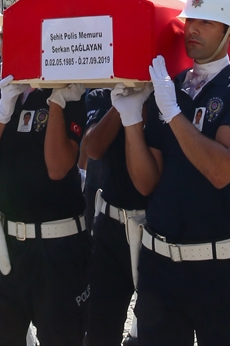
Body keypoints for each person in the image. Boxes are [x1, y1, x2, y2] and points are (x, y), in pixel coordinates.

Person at [116, 0, 230, 346]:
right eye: (190, 21)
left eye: (206, 22)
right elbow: (145, 183)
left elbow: (221, 170)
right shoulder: (171, 88)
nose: (193, 30)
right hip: (159, 264)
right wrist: (130, 123)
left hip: (218, 268)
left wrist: (173, 113)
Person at [0, 72, 90, 345]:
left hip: (59, 247)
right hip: (6, 247)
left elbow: (57, 168)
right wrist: (2, 113)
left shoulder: (71, 88)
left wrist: (56, 102)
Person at [82, 85, 150, 346]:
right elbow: (93, 149)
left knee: (156, 329)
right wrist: (120, 104)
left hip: (157, 227)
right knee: (100, 328)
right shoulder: (103, 94)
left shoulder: (168, 91)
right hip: (112, 226)